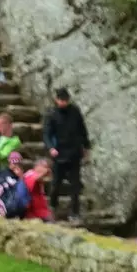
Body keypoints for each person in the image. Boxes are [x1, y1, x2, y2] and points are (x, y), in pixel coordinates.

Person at [42, 87, 90, 223]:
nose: (63, 102)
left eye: (66, 100)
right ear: (56, 100)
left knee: (75, 185)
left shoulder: (75, 112)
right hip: (59, 153)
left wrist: (86, 146)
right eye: (61, 100)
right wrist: (51, 147)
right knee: (56, 184)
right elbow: (47, 133)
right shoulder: (51, 114)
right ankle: (53, 207)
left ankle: (75, 212)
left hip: (74, 152)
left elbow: (82, 129)